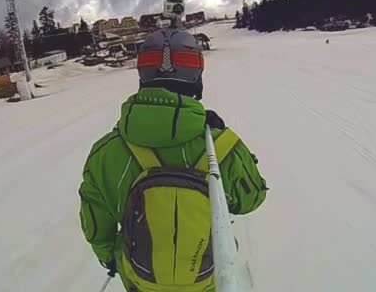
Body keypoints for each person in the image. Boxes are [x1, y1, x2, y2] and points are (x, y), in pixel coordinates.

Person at [79, 28, 267, 292]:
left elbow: (97, 226)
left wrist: (109, 256)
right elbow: (251, 199)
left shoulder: (105, 154)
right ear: (196, 76)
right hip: (206, 282)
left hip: (139, 281)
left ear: (142, 74)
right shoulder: (223, 147)